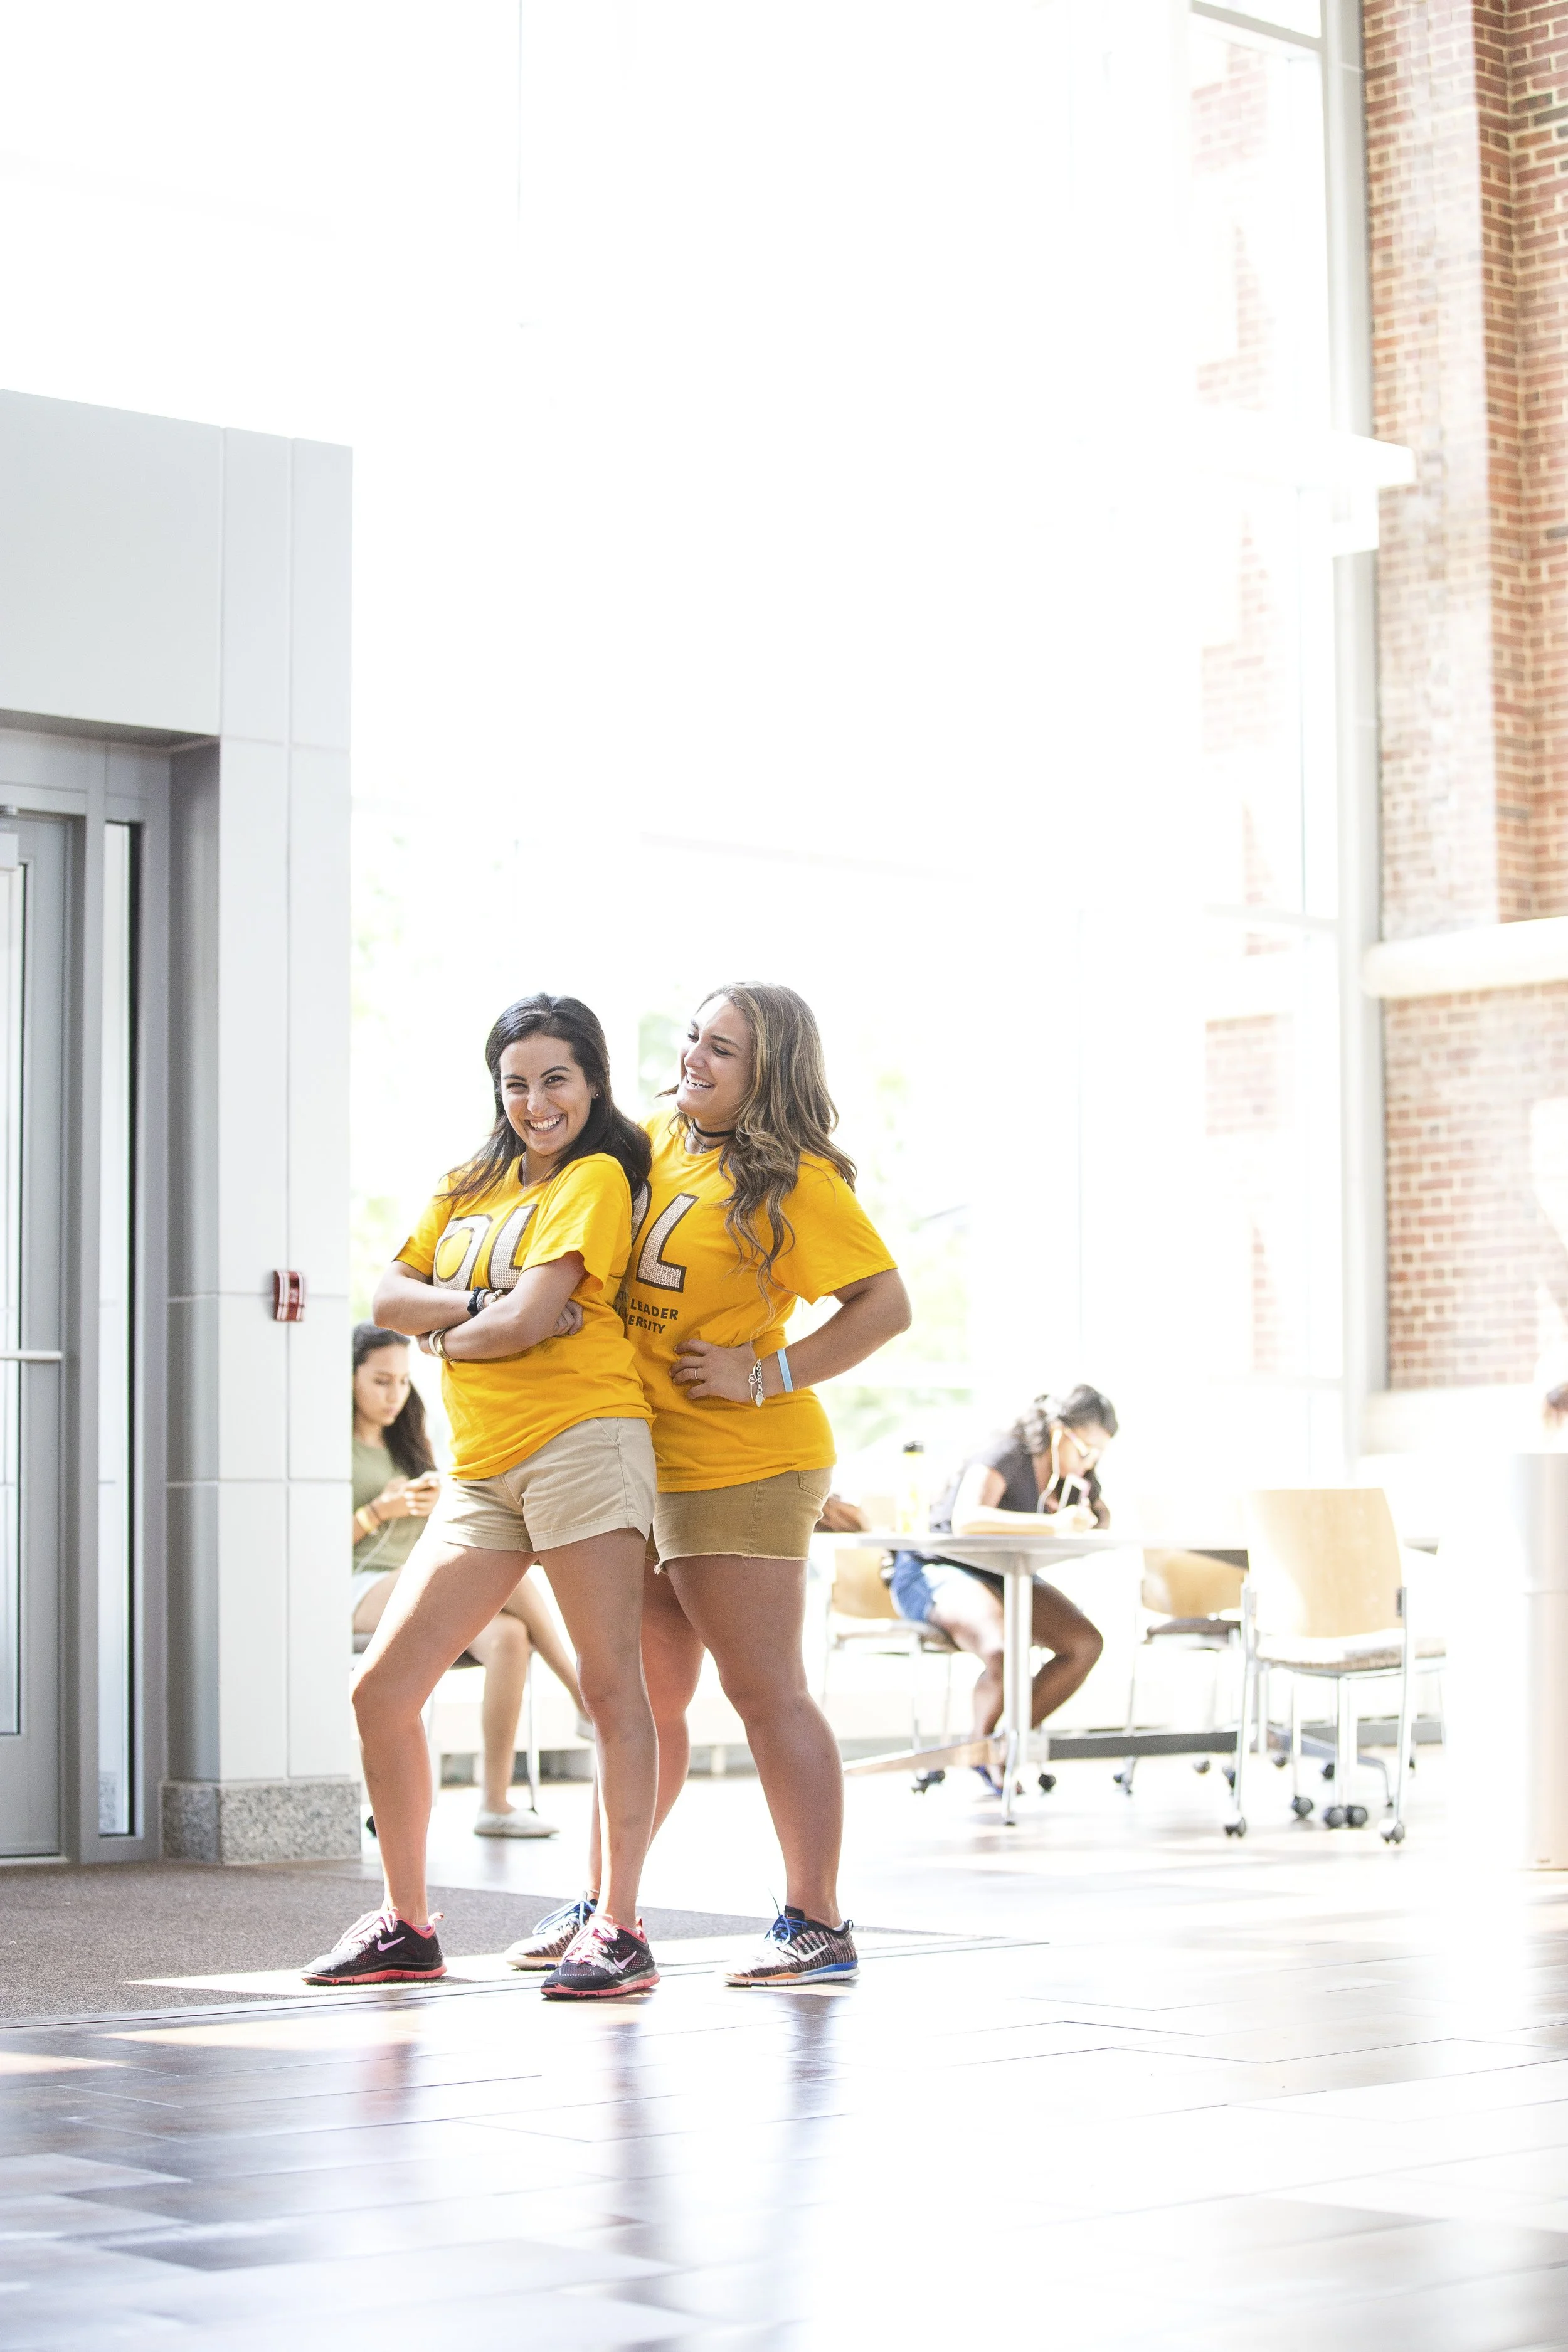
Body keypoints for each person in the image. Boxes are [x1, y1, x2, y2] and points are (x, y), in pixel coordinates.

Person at [506, 983, 911, 1989]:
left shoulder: (798, 1179)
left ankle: (817, 1919)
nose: (696, 1057)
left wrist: (764, 1370)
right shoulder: (649, 1137)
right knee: (645, 1700)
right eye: (693, 1036)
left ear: (766, 1070)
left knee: (763, 1689)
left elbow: (887, 1305)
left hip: (745, 1460)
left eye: (722, 1048)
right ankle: (609, 1906)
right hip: (638, 1459)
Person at [305, 994, 662, 2000]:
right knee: (381, 1690)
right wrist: (473, 1311)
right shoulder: (473, 1179)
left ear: (591, 1080)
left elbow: (535, 1321)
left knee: (607, 1686)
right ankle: (407, 1924)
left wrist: (460, 1328)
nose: (537, 1101)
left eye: (556, 1078)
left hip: (584, 1443)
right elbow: (388, 1295)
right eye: (517, 1082)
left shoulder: (595, 1176)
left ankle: (620, 1925)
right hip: (480, 1467)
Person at [351, 1320, 588, 1839]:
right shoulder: (330, 1451)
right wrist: (378, 1512)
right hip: (356, 1585)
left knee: (509, 1637)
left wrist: (438, 1504)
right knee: (513, 1574)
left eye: (401, 1381)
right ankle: (582, 1693)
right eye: (380, 1381)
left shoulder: (410, 1444)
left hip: (409, 1577)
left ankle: (494, 1803)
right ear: (349, 1379)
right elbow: (307, 1553)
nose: (394, 1394)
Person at [889, 1384, 1118, 1780]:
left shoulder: (1070, 1478)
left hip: (1001, 1575)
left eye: (1098, 1455)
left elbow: (1097, 1518)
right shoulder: (1007, 1451)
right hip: (933, 1569)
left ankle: (993, 1741)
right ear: (1060, 1433)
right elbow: (968, 1520)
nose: (1089, 1463)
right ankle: (984, 1747)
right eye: (1085, 1451)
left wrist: (1089, 1513)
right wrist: (1051, 1524)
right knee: (1003, 1648)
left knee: (1084, 1644)